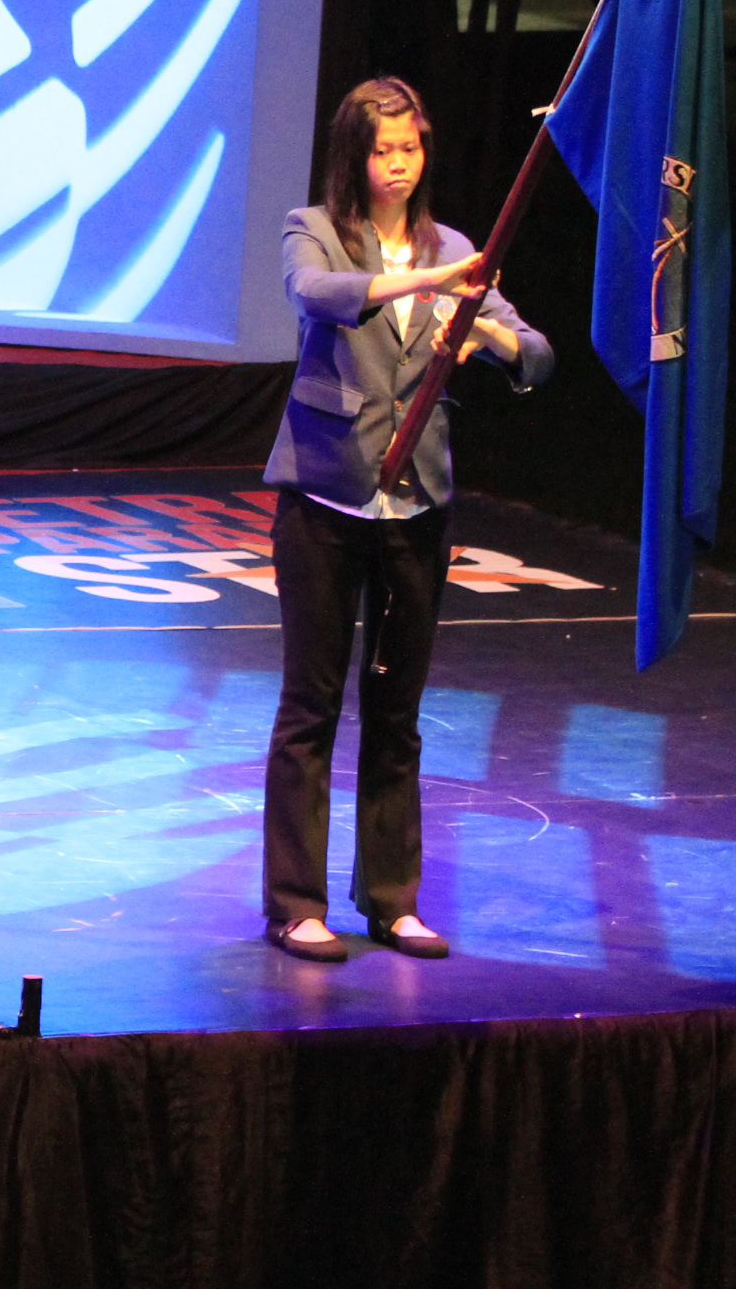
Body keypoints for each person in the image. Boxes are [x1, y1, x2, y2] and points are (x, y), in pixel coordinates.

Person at [262, 77, 552, 964]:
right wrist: (429, 283)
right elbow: (317, 294)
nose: (399, 164)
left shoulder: (455, 248)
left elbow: (537, 356)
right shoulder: (314, 228)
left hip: (416, 505)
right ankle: (295, 905)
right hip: (325, 499)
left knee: (397, 712)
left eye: (411, 148)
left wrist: (485, 332)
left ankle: (392, 902)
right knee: (311, 706)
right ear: (354, 156)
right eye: (383, 150)